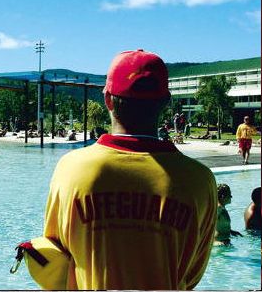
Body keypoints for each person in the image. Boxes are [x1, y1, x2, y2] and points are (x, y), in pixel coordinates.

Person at [40, 50, 217, 290]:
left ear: (107, 99)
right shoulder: (199, 179)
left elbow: (53, 256)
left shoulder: (71, 168)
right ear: (166, 102)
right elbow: (193, 273)